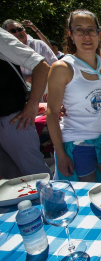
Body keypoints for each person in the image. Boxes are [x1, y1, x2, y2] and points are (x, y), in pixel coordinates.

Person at [47, 9, 101, 182]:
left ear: (98, 33)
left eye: (91, 30)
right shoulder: (62, 68)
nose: (86, 36)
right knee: (87, 200)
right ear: (71, 34)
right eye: (79, 30)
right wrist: (60, 154)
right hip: (77, 144)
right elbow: (52, 113)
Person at [0, 28, 51, 179]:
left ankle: (52, 202)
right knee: (6, 182)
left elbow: (41, 66)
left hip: (13, 118)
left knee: (37, 176)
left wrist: (33, 103)